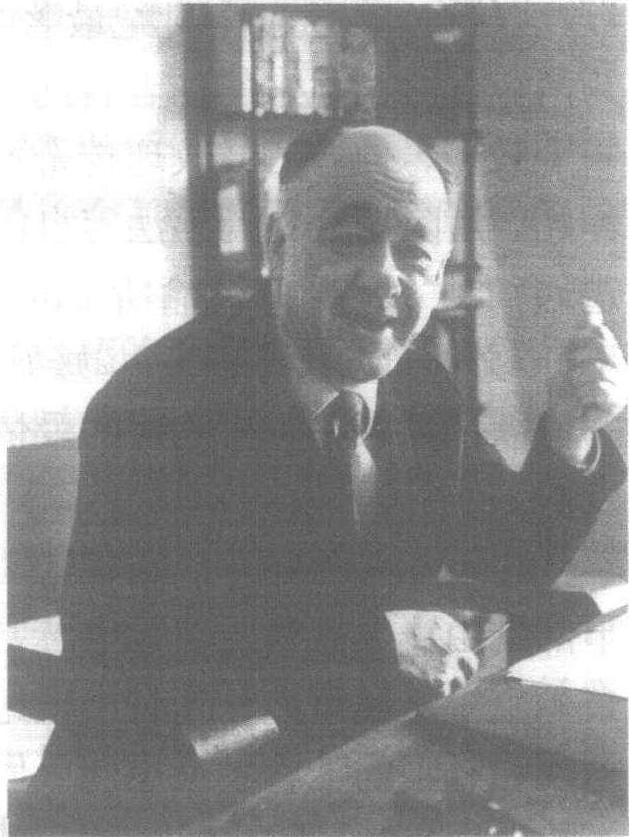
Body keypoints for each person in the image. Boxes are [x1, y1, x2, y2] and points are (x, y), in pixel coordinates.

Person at [30, 124, 627, 831]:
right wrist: (378, 642)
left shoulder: (421, 387)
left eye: (415, 254)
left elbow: (505, 556)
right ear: (278, 246)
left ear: (438, 276)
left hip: (356, 761)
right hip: (164, 795)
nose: (384, 277)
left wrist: (569, 432)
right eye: (349, 239)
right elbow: (138, 653)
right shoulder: (159, 403)